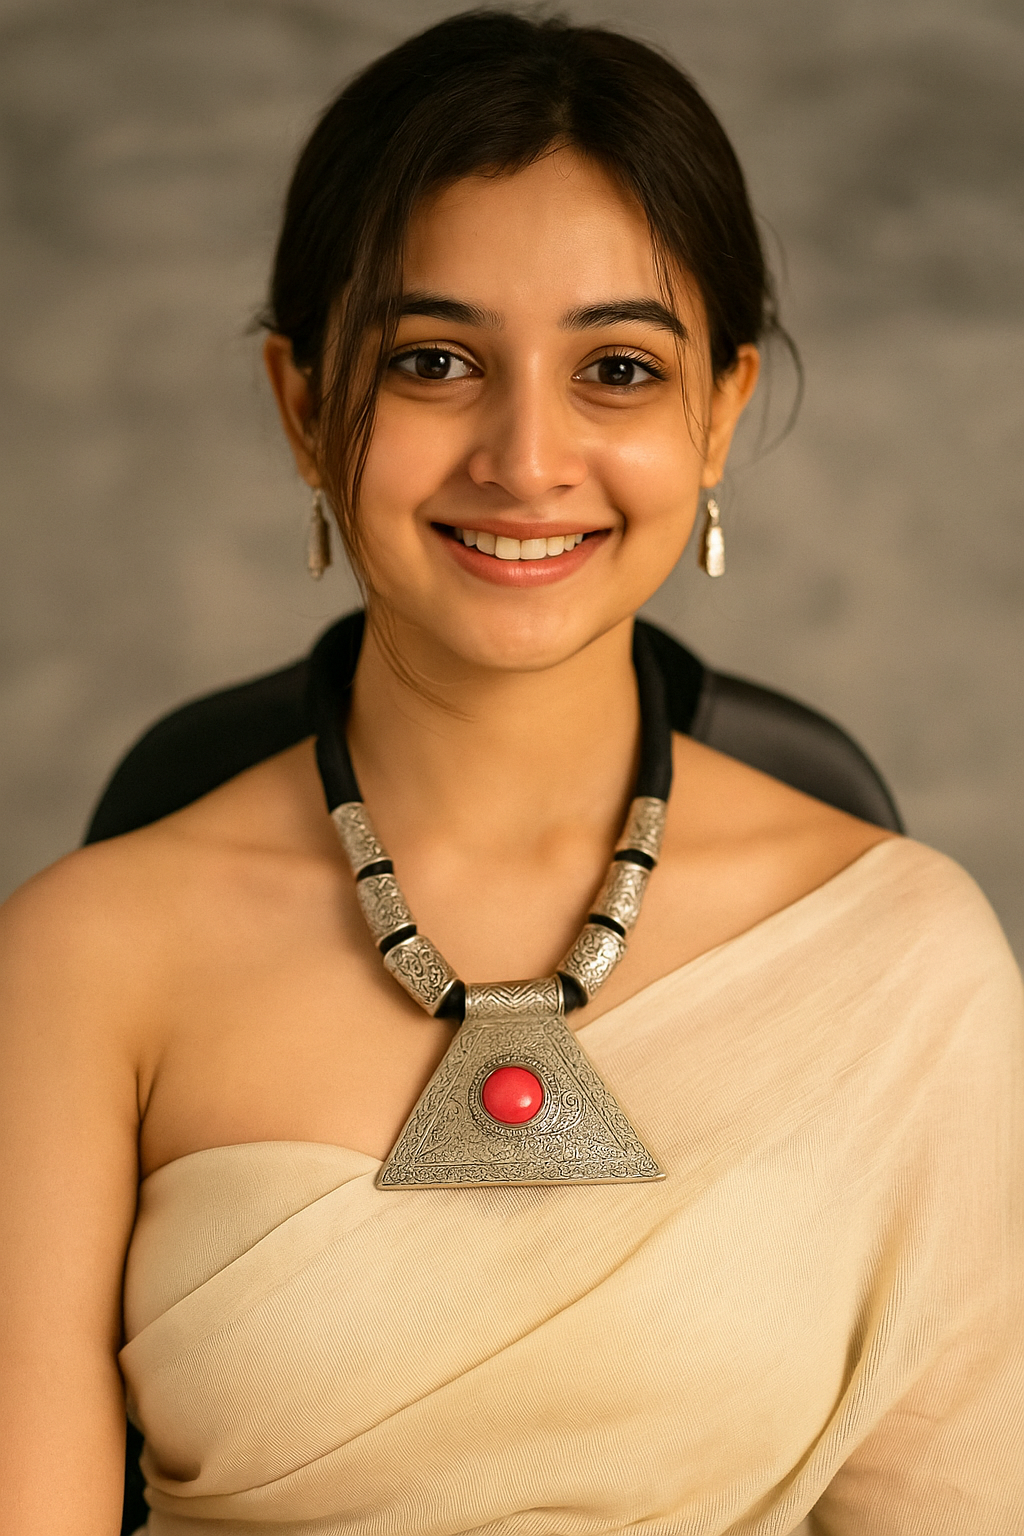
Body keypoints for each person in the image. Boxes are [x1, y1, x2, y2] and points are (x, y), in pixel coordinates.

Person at [0, 10, 1020, 1534]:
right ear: (301, 408)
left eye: (617, 367)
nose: (526, 457)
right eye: (434, 363)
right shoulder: (83, 959)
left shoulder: (904, 955)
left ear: (721, 411)